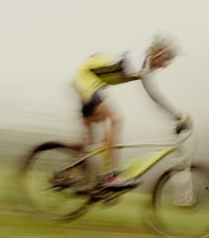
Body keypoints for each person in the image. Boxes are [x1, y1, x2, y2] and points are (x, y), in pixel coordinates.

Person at [72, 33, 190, 188]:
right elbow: (153, 96)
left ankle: (73, 174)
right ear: (157, 52)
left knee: (90, 139)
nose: (165, 65)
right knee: (115, 120)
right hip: (86, 79)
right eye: (166, 59)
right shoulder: (139, 60)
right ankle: (111, 177)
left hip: (89, 80)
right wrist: (177, 116)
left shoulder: (143, 62)